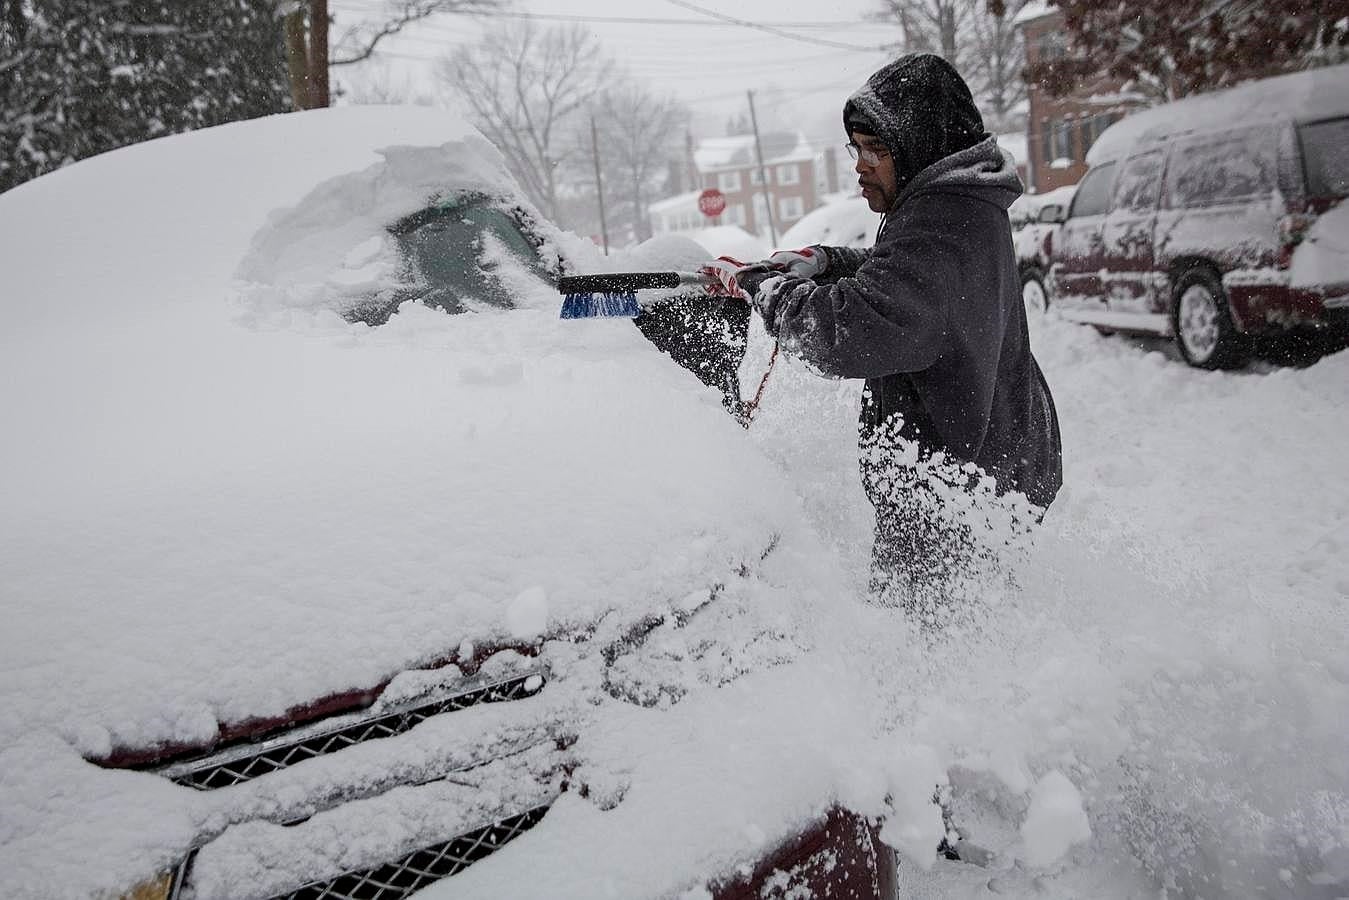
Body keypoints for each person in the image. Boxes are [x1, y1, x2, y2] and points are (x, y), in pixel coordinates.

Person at [703, 53, 1062, 625]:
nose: (861, 166)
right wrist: (823, 262)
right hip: (990, 462)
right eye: (857, 149)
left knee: (937, 645)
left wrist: (760, 287)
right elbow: (904, 279)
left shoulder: (942, 218)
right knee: (979, 628)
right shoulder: (955, 204)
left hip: (958, 492)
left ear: (919, 145)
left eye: (877, 149)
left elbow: (851, 331)